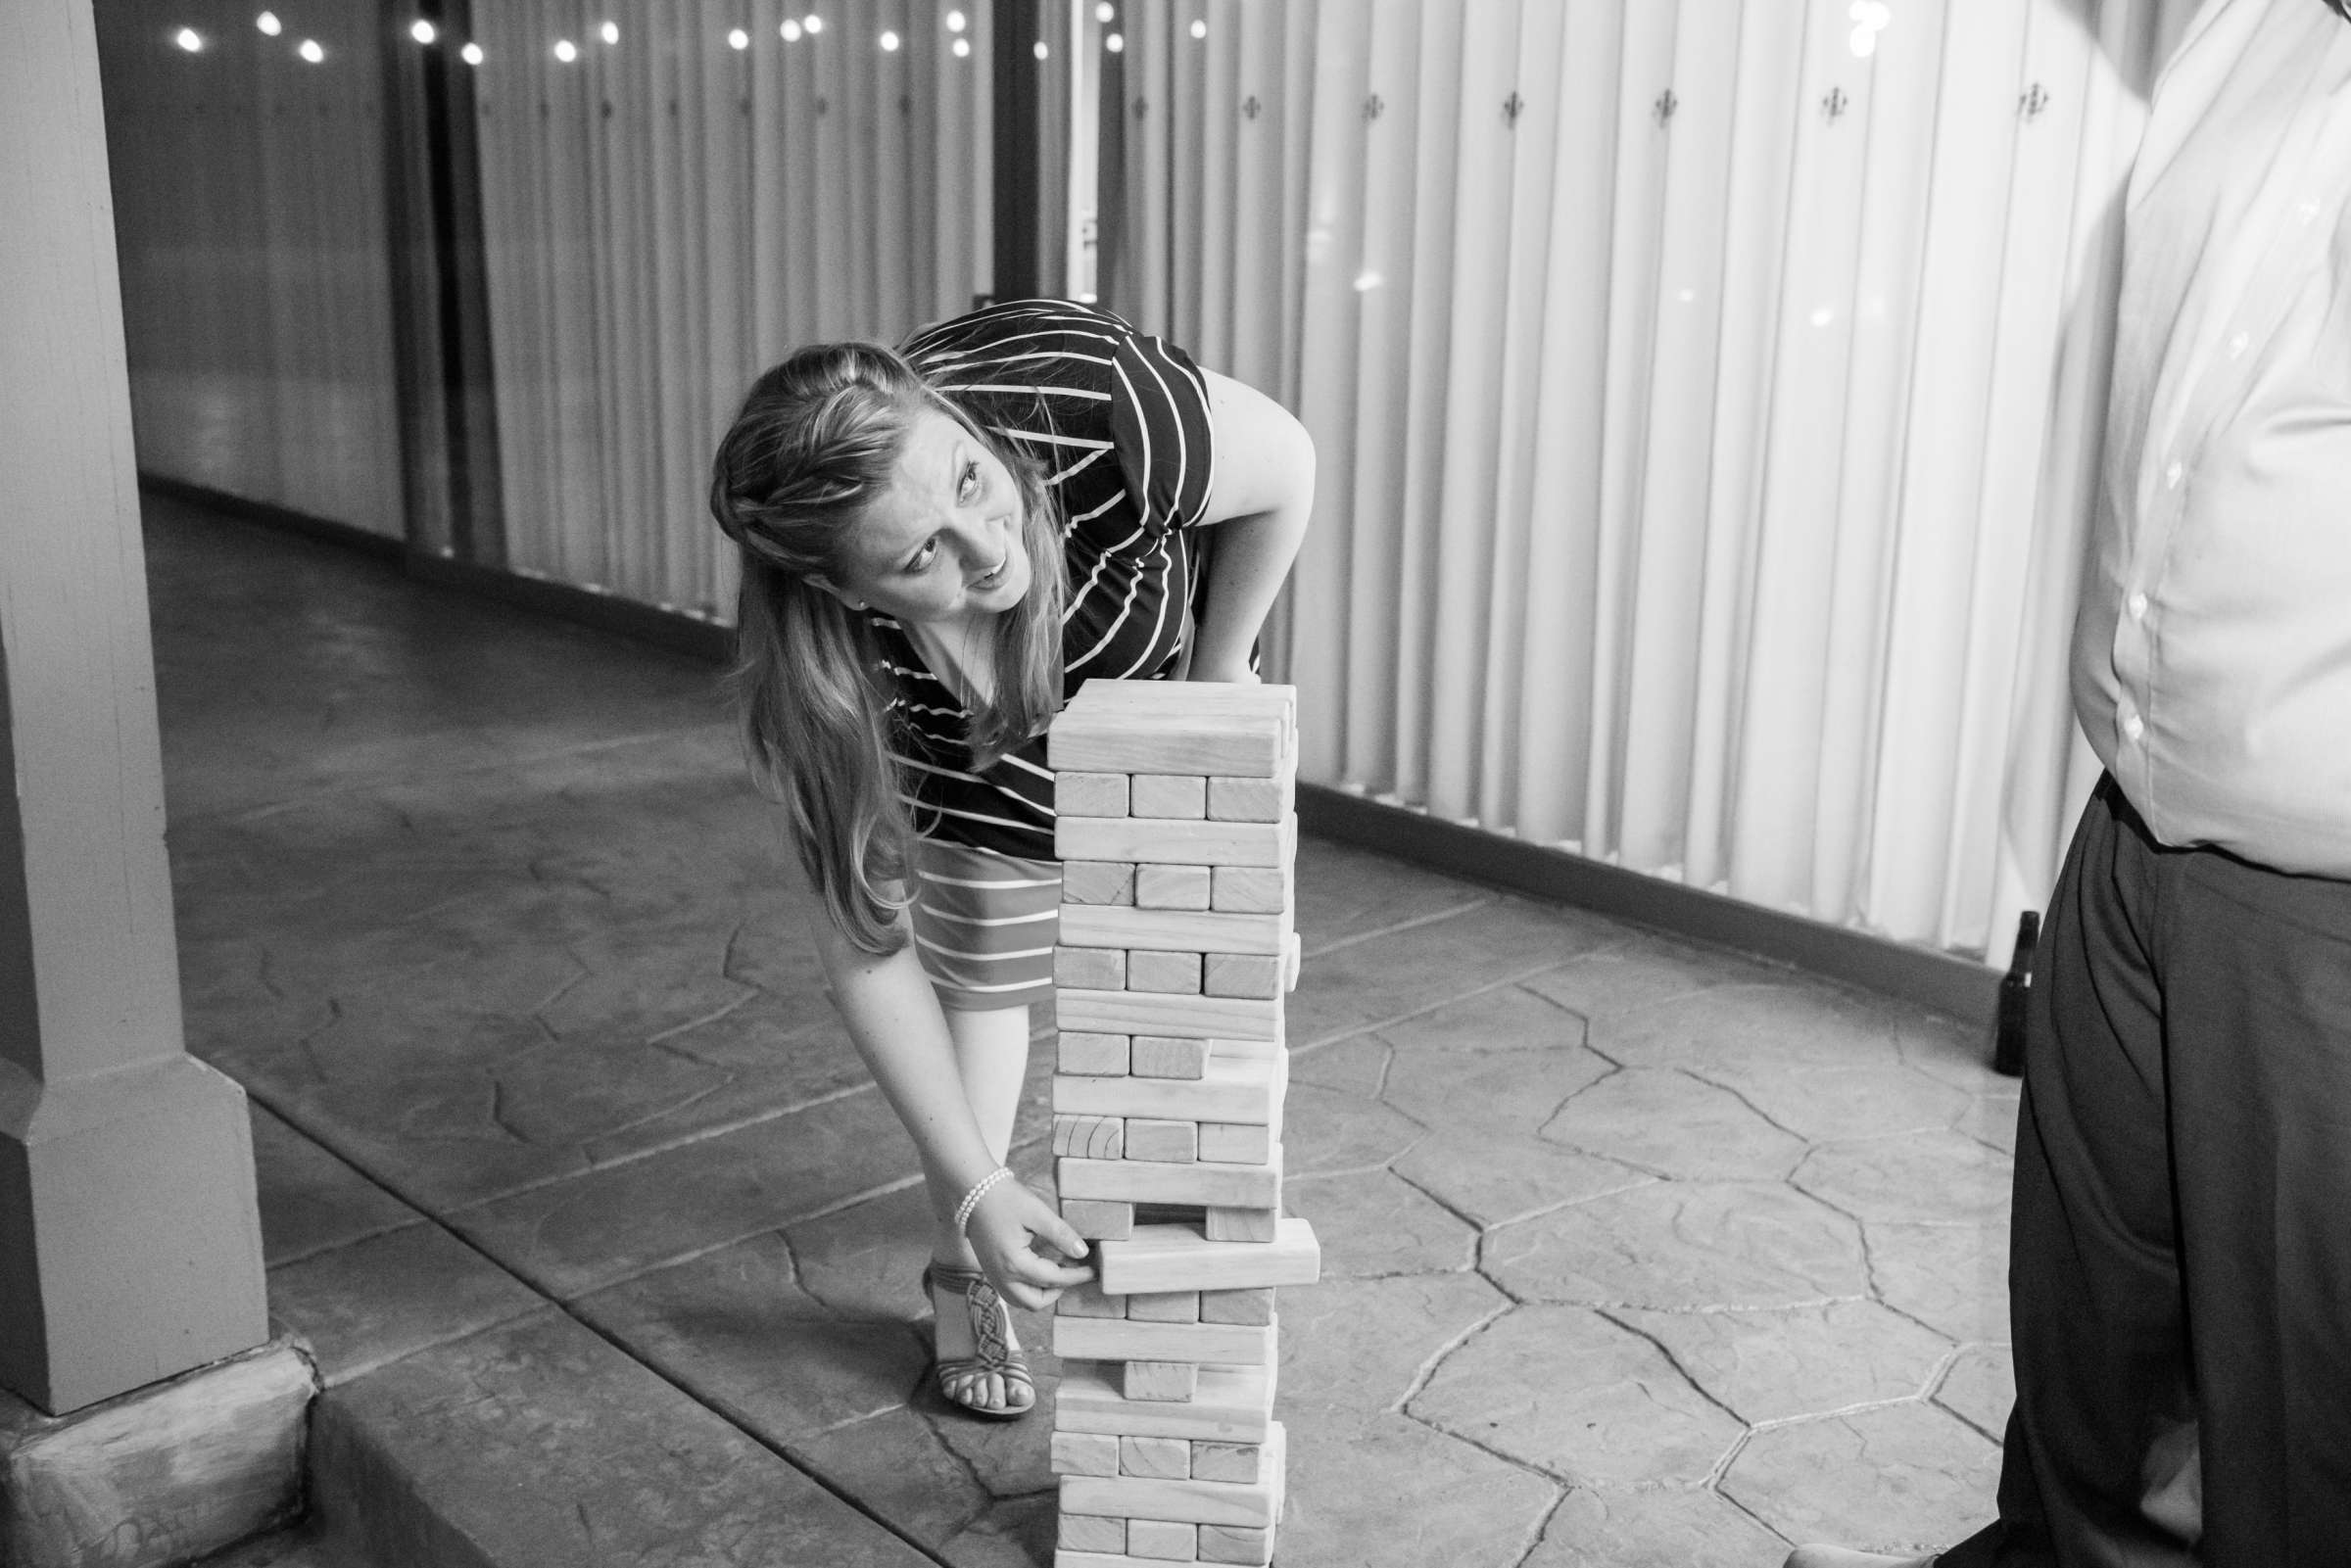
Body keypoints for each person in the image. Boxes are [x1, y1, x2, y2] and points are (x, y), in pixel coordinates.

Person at [1789, 0, 2351, 1562]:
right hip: (2133, 822)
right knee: (2097, 1349)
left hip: (2324, 916)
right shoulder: (2246, 35)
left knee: (2306, 1430)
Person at [706, 299, 1315, 1419]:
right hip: (971, 766)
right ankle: (961, 1264)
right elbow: (865, 948)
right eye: (921, 553)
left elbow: (1286, 464)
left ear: (950, 417)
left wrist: (1218, 668)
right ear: (847, 590)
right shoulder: (839, 680)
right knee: (980, 963)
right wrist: (981, 1184)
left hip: (1157, 682)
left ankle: (1180, 1274)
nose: (988, 554)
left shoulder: (1114, 419)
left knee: (1187, 984)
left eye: (971, 483)